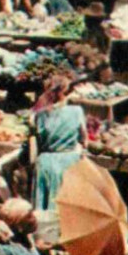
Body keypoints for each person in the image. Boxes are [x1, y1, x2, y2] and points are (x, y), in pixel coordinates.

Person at [30, 75, 87, 212]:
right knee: (67, 210)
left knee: (43, 211)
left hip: (45, 164)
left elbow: (36, 144)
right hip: (68, 163)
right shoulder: (76, 111)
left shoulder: (40, 115)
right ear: (64, 93)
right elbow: (84, 140)